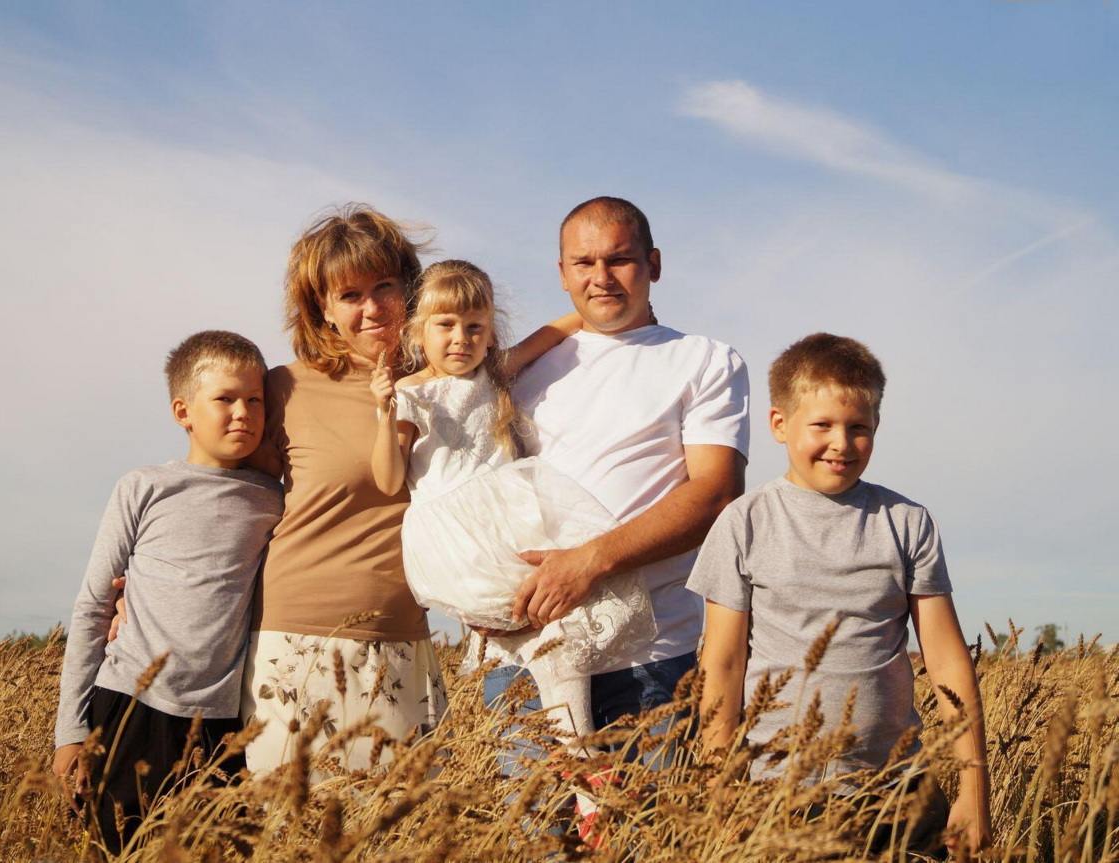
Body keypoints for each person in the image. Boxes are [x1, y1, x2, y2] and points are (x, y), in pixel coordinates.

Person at [690, 333, 992, 855]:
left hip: (897, 786)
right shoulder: (744, 523)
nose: (842, 443)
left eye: (859, 429)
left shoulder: (906, 523)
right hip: (775, 788)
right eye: (823, 425)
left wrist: (974, 790)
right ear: (779, 424)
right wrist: (719, 787)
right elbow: (722, 664)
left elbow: (945, 661)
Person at [485, 196, 750, 751]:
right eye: (583, 263)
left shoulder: (704, 360)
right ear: (562, 273)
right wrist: (478, 595)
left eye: (619, 260)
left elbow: (716, 493)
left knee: (637, 834)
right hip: (528, 655)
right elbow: (474, 481)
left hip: (648, 659)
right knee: (530, 836)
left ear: (654, 264)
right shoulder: (523, 370)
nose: (601, 278)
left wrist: (588, 563)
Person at [369, 259, 656, 750]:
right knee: (536, 632)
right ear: (420, 331)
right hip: (460, 538)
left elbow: (557, 329)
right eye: (446, 326)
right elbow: (388, 478)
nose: (461, 338)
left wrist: (625, 313)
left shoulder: (494, 373)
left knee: (558, 633)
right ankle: (578, 754)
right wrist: (383, 412)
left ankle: (576, 753)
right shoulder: (410, 395)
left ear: (490, 332)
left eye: (475, 326)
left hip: (516, 518)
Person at [53, 331, 284, 853]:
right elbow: (93, 607)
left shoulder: (275, 499)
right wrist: (70, 729)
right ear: (184, 410)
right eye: (224, 399)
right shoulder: (144, 486)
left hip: (222, 724)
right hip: (131, 706)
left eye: (255, 400)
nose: (243, 412)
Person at [237, 205, 448, 774]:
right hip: (295, 644)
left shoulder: (449, 384)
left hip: (406, 642)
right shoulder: (285, 389)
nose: (373, 308)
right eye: (350, 295)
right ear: (322, 310)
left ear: (413, 289)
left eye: (385, 286)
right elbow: (233, 504)